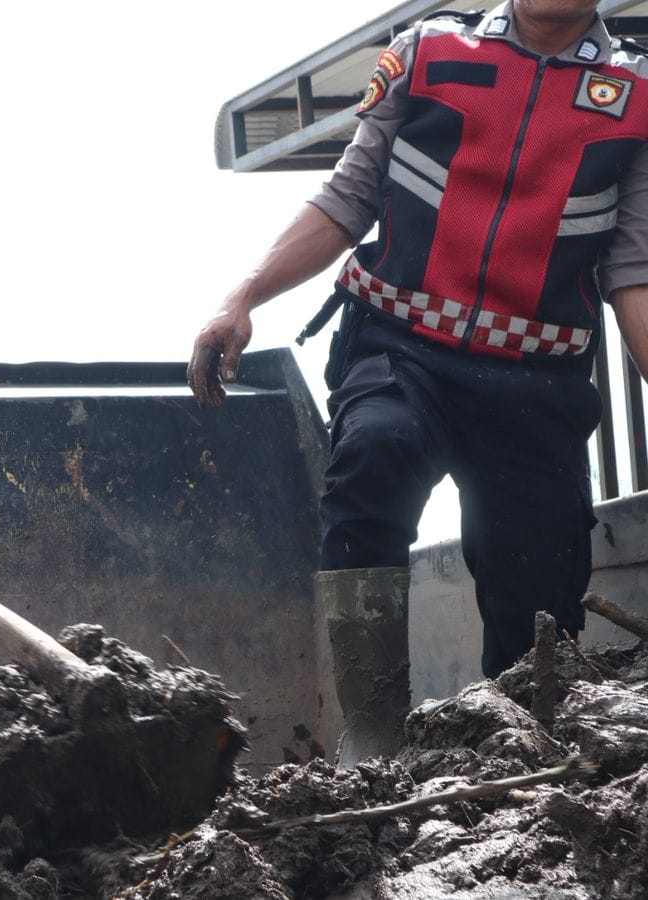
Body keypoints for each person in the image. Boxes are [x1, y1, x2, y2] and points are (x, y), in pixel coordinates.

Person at [188, 0, 648, 764]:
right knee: (375, 448)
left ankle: (517, 762)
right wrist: (243, 296)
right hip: (401, 346)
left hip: (537, 384)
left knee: (537, 577)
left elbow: (633, 269)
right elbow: (347, 196)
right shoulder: (431, 49)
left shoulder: (636, 95)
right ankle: (372, 741)